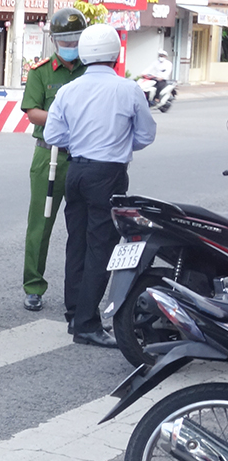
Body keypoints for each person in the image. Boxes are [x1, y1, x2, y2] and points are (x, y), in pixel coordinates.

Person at [44, 24, 156, 348]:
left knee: (76, 243)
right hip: (108, 174)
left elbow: (53, 136)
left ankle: (73, 314)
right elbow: (146, 135)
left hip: (75, 171)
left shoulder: (68, 90)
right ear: (115, 53)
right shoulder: (128, 89)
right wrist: (118, 144)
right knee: (100, 248)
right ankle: (88, 324)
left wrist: (81, 143)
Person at [20, 6, 88, 313]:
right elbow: (32, 111)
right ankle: (33, 287)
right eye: (66, 39)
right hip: (49, 157)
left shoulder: (92, 68)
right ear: (55, 40)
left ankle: (79, 291)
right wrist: (65, 119)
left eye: (76, 38)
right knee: (40, 225)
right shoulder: (41, 71)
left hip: (84, 159)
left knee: (82, 226)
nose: (71, 45)